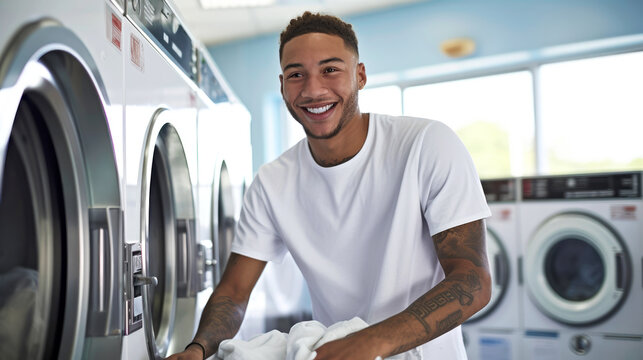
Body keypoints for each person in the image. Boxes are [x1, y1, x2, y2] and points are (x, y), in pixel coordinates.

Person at [167, 11, 491, 360]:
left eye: (330, 69)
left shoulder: (427, 145)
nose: (313, 89)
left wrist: (369, 342)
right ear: (282, 86)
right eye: (296, 75)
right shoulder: (272, 183)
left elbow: (472, 281)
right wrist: (198, 350)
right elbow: (233, 291)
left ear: (360, 75)